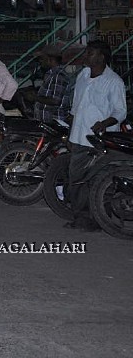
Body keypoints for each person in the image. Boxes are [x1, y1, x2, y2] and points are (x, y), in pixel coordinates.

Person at [65, 40, 126, 232]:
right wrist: (69, 133)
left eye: (90, 53)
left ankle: (95, 219)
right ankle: (81, 216)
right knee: (76, 179)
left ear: (101, 57)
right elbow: (75, 108)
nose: (86, 56)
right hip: (79, 136)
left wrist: (104, 124)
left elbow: (120, 112)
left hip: (100, 140)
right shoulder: (82, 76)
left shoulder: (113, 81)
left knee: (97, 181)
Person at [22, 43, 70, 124]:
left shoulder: (58, 76)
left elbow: (55, 100)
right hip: (47, 122)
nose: (40, 61)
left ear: (50, 59)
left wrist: (35, 98)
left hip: (55, 123)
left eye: (42, 58)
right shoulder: (51, 75)